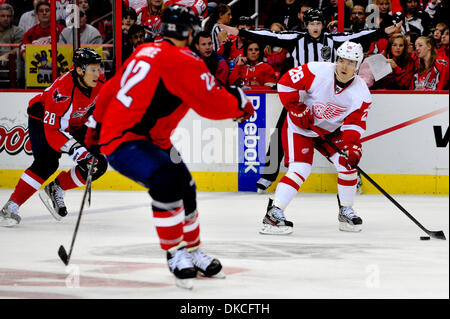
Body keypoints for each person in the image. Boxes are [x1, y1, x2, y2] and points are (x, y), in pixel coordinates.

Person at [84, 5, 254, 289]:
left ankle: (194, 251)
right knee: (166, 181)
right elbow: (211, 103)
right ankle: (175, 253)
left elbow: (112, 86)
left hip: (145, 138)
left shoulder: (146, 50)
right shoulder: (181, 58)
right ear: (188, 31)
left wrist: (94, 125)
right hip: (126, 140)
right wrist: (240, 104)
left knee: (185, 185)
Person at [219, 8, 393, 193]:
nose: (315, 27)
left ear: (323, 24)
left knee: (339, 136)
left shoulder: (333, 40)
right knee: (279, 134)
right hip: (299, 98)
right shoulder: (296, 39)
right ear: (306, 25)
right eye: (311, 24)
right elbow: (269, 36)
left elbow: (361, 36)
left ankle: (352, 173)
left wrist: (382, 31)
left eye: (318, 23)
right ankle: (268, 175)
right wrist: (241, 32)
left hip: (328, 97)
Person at [259, 41, 371, 235]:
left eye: (350, 63)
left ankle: (346, 210)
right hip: (300, 127)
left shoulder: (361, 94)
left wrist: (353, 146)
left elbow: (354, 124)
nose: (344, 66)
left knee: (347, 165)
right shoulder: (317, 71)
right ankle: (274, 213)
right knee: (300, 168)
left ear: (358, 66)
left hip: (329, 131)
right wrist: (296, 109)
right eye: (341, 60)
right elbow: (285, 83)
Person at [0, 48, 108, 227]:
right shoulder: (63, 91)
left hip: (74, 122)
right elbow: (54, 132)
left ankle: (56, 187)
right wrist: (78, 151)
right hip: (43, 121)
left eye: (98, 68)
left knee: (98, 164)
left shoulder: (99, 79)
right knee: (47, 163)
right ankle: (11, 206)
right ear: (80, 70)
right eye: (93, 69)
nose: (98, 73)